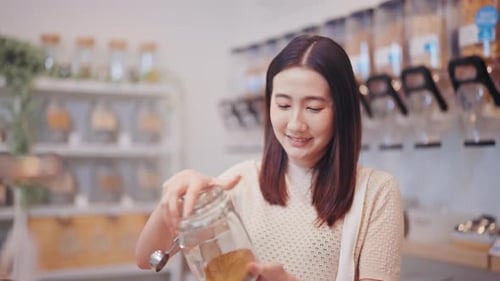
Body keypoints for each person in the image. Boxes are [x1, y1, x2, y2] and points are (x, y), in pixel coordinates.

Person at [135, 35, 404, 281]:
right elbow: (147, 257)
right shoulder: (241, 182)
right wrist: (171, 199)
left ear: (341, 111)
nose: (296, 124)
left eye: (313, 108)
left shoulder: (376, 192)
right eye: (283, 105)